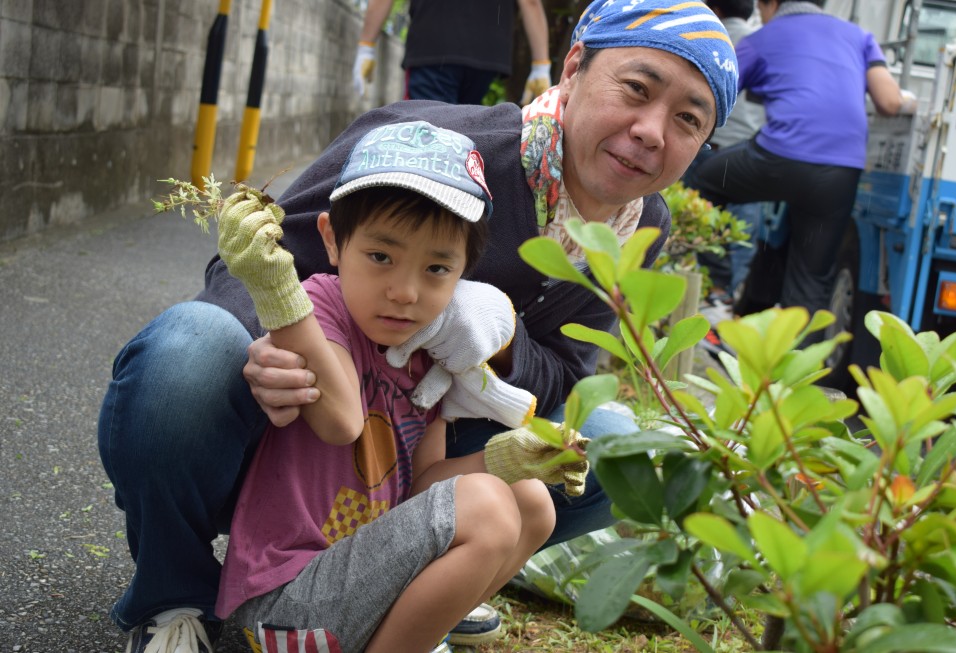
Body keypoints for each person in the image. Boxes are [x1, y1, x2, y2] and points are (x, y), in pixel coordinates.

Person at [97, 1, 739, 651]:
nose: (653, 130)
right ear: (573, 68)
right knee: (192, 353)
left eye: (689, 119)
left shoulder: (643, 225)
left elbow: (566, 378)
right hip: (316, 407)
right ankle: (173, 591)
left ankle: (423, 577)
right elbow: (267, 255)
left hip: (420, 427)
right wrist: (274, 348)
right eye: (637, 88)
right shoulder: (425, 146)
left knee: (613, 447)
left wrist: (501, 332)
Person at [210, 120, 587, 653]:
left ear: (464, 271)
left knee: (531, 503)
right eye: (381, 257)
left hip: (362, 591)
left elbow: (421, 484)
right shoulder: (319, 307)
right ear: (332, 241)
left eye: (437, 268)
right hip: (280, 608)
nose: (405, 292)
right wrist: (276, 289)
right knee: (485, 506)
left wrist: (508, 461)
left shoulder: (429, 353)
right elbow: (341, 421)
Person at [684, 0, 914, 329]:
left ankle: (719, 289)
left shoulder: (762, 38)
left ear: (771, 4)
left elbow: (716, 92)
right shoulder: (860, 37)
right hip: (840, 171)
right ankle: (796, 374)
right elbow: (890, 102)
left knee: (703, 182)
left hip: (778, 158)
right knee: (811, 280)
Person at [682, 0, 766, 307]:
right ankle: (724, 299)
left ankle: (708, 294)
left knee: (701, 225)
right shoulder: (763, 42)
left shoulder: (705, 37)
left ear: (715, 9)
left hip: (709, 149)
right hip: (750, 155)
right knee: (740, 233)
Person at [352, 0, 552, 105]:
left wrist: (366, 46)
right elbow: (530, 2)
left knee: (425, 139)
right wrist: (541, 65)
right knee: (459, 136)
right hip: (485, 57)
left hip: (433, 49)